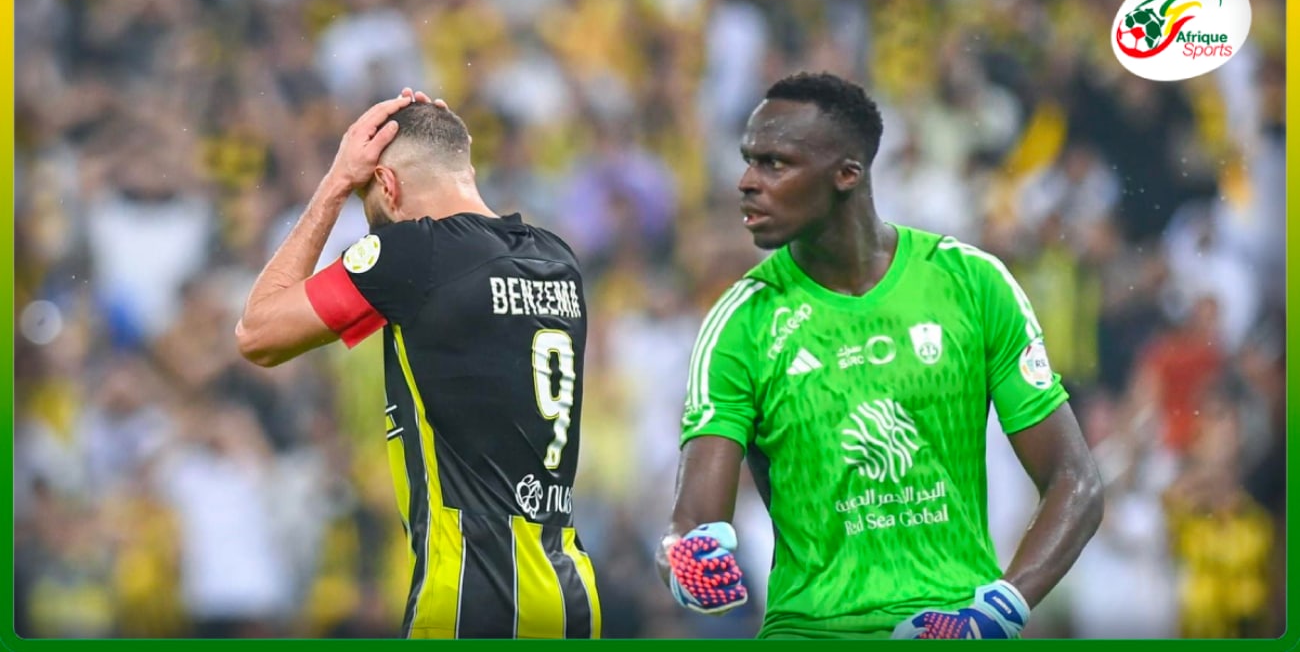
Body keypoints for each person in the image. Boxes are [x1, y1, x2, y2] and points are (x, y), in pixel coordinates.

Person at [655, 72, 1103, 640]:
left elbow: (1076, 480)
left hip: (952, 627)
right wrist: (688, 560)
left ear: (848, 174)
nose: (747, 181)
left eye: (775, 163)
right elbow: (694, 519)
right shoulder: (740, 323)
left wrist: (998, 610)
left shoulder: (971, 283)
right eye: (749, 160)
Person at [235, 89, 601, 639]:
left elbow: (257, 334)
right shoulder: (556, 258)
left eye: (368, 198)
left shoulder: (414, 255)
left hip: (471, 594)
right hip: (570, 591)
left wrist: (335, 182)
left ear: (387, 184)